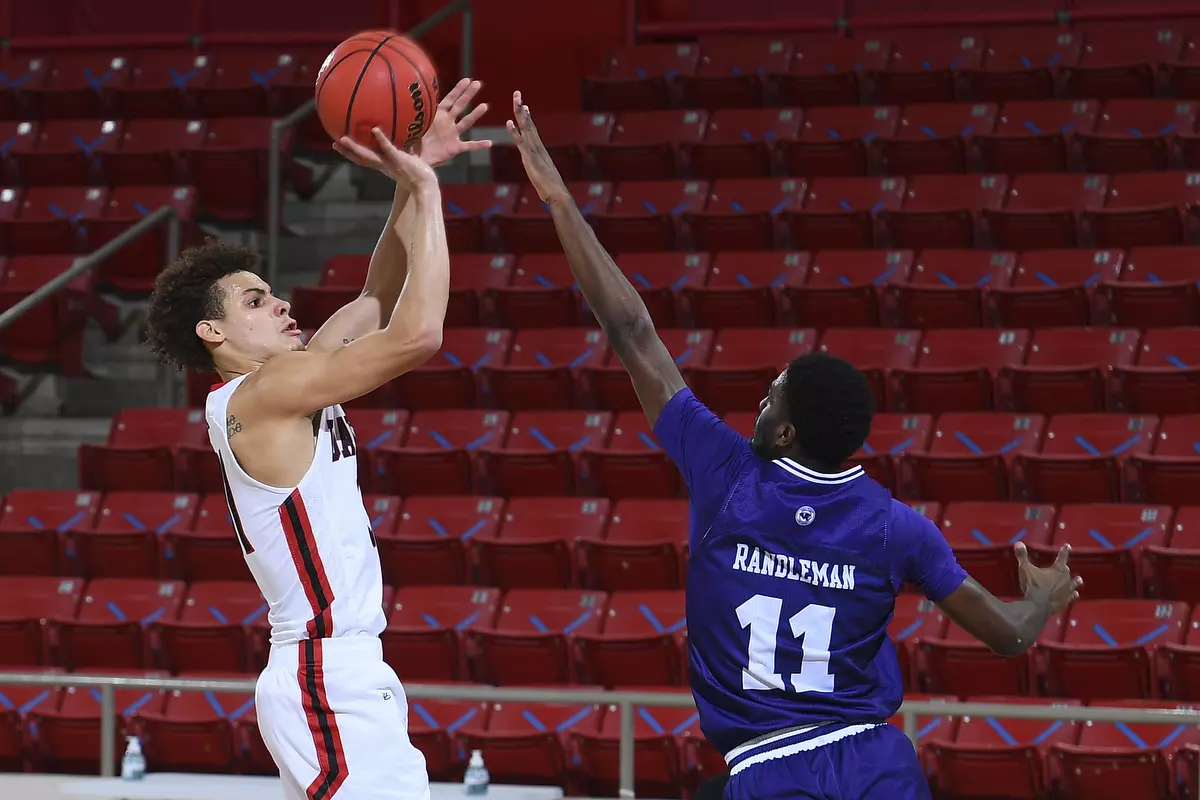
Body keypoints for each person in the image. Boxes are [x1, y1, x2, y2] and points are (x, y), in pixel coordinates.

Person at [504, 90, 1083, 800]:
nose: (759, 398)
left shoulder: (725, 474)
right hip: (875, 762)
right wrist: (1043, 601)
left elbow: (632, 334)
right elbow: (1009, 638)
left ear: (784, 433)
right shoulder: (895, 526)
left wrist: (560, 199)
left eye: (771, 395)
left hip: (770, 769)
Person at [145, 79, 491, 800]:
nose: (279, 303)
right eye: (253, 300)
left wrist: (407, 174)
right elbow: (418, 333)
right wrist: (428, 194)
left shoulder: (291, 377)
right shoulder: (265, 393)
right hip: (323, 672)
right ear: (212, 333)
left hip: (341, 670)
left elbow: (374, 295)